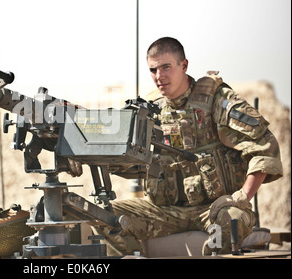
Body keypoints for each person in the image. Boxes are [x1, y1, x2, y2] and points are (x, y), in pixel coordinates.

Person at [94, 37, 283, 256]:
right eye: (153, 70)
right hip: (164, 212)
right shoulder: (150, 109)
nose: (159, 77)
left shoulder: (216, 100)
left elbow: (264, 146)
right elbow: (132, 163)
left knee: (234, 219)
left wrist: (242, 198)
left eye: (166, 67)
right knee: (104, 215)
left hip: (213, 209)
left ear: (184, 65)